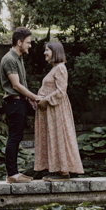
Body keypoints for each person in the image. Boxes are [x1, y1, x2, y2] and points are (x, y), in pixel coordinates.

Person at [33, 41, 83, 181]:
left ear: (55, 52)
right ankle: (56, 170)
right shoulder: (54, 69)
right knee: (53, 138)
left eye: (47, 50)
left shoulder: (60, 68)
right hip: (50, 111)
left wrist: (45, 99)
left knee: (58, 137)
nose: (44, 53)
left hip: (57, 110)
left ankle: (63, 172)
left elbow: (61, 92)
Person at [0, 27, 41, 183]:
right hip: (14, 102)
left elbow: (21, 84)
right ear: (19, 42)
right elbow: (16, 85)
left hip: (19, 101)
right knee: (14, 137)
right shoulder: (10, 59)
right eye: (28, 43)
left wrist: (28, 99)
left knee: (17, 137)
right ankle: (12, 174)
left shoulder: (18, 58)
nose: (30, 45)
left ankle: (14, 172)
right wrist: (34, 96)